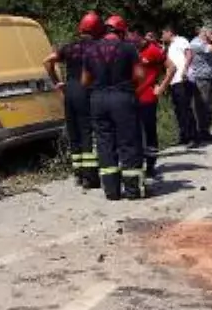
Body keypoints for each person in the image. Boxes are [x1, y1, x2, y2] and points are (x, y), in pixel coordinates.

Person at [84, 16, 145, 201]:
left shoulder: (91, 49)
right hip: (122, 97)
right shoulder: (128, 48)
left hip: (98, 100)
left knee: (104, 143)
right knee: (129, 142)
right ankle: (133, 191)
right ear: (121, 31)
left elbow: (85, 81)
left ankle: (111, 191)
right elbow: (140, 75)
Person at [43, 11, 104, 189]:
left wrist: (57, 83)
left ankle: (77, 174)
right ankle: (90, 177)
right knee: (87, 133)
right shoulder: (97, 47)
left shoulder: (70, 47)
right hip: (86, 92)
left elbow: (47, 61)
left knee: (74, 132)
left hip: (70, 93)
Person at [136, 27, 166, 178]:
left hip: (148, 97)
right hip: (132, 98)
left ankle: (151, 164)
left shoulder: (153, 50)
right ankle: (137, 163)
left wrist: (161, 86)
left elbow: (171, 68)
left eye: (134, 37)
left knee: (149, 131)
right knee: (135, 132)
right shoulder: (131, 50)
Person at [161, 24, 197, 147]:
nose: (162, 36)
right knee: (178, 109)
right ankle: (184, 135)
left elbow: (189, 54)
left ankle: (193, 136)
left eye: (163, 33)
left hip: (183, 79)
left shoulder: (181, 40)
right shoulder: (169, 46)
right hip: (174, 81)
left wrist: (185, 70)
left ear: (169, 32)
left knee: (185, 108)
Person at [188, 24, 212, 143]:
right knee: (202, 105)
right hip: (202, 79)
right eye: (211, 33)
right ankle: (200, 132)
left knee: (209, 105)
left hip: (210, 78)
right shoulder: (196, 43)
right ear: (205, 32)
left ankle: (205, 130)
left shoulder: (205, 43)